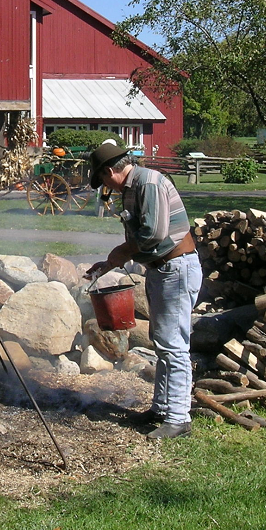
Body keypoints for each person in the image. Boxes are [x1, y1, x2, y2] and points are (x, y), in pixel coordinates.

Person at [85, 142, 200, 439]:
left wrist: (121, 252)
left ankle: (178, 417)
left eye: (104, 180)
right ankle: (161, 409)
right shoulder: (133, 188)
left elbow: (154, 233)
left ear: (111, 170)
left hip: (176, 268)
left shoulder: (148, 183)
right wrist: (109, 263)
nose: (105, 187)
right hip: (162, 269)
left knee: (173, 344)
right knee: (163, 342)